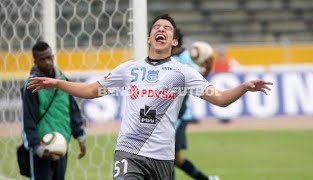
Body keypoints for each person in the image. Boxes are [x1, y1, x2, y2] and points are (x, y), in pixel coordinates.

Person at [27, 14, 272, 180]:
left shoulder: (183, 73)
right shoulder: (129, 69)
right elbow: (92, 90)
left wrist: (243, 87)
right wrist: (58, 83)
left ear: (174, 41)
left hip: (162, 157)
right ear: (149, 38)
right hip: (128, 152)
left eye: (167, 28)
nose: (161, 30)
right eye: (156, 28)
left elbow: (219, 98)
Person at [21, 41, 86, 180]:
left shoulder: (63, 80)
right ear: (35, 61)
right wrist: (36, 147)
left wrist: (80, 136)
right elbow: (29, 118)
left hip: (61, 144)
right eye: (42, 59)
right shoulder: (31, 86)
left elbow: (72, 109)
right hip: (41, 147)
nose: (47, 62)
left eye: (49, 58)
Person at [171, 29, 219, 180]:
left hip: (179, 115)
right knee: (174, 158)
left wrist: (208, 69)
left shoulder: (185, 58)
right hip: (163, 115)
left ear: (175, 41)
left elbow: (198, 78)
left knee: (167, 155)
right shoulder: (163, 57)